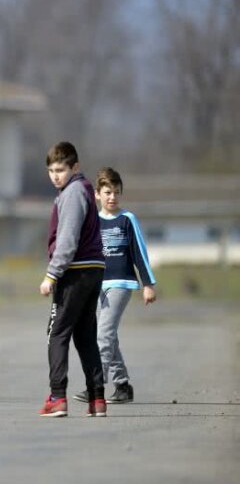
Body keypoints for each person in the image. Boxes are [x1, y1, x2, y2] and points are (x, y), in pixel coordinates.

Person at [73, 167, 157, 405]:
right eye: (108, 192)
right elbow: (83, 253)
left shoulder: (127, 219)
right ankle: (122, 386)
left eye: (117, 192)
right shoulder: (91, 222)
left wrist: (148, 284)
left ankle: (95, 385)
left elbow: (140, 252)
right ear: (97, 194)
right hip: (96, 284)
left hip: (121, 283)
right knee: (109, 336)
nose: (113, 197)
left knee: (104, 333)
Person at [38, 141, 107, 418]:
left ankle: (57, 397)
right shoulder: (80, 191)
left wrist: (51, 275)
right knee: (85, 335)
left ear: (74, 167)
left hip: (76, 271)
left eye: (61, 169)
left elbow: (68, 239)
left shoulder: (74, 192)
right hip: (92, 269)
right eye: (51, 170)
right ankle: (97, 399)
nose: (56, 175)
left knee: (57, 333)